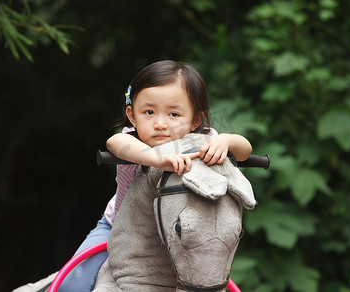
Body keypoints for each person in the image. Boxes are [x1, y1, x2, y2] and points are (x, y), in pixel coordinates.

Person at [58, 60, 252, 291]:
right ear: (132, 115)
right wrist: (155, 158)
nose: (160, 124)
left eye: (173, 114)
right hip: (118, 229)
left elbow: (245, 149)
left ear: (196, 120)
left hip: (183, 232)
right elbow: (114, 142)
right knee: (73, 281)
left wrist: (226, 141)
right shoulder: (132, 140)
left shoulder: (204, 139)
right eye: (149, 112)